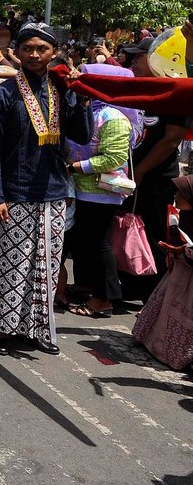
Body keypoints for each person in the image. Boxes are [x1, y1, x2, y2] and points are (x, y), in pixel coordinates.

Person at [0, 21, 93, 356]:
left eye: (41, 48)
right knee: (12, 263)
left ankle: (35, 328)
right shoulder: (2, 94)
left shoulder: (63, 90)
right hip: (16, 192)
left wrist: (83, 100)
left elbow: (83, 136)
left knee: (45, 264)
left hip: (55, 191)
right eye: (27, 48)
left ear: (54, 52)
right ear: (15, 52)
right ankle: (3, 329)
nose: (33, 54)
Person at [120, 37, 188, 301]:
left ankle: (157, 295)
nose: (134, 63)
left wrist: (142, 169)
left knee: (156, 234)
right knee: (131, 231)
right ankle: (133, 284)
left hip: (157, 179)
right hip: (134, 175)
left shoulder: (175, 93)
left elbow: (171, 139)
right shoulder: (144, 91)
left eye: (139, 58)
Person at [66, 64, 136, 318]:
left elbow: (114, 158)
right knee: (85, 242)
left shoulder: (113, 117)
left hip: (102, 191)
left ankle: (104, 298)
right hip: (82, 189)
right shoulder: (87, 110)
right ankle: (88, 286)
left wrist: (76, 166)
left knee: (98, 243)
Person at [132, 173, 193, 370]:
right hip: (179, 272)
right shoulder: (183, 215)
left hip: (189, 280)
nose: (175, 195)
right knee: (165, 306)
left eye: (181, 193)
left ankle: (178, 355)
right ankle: (152, 341)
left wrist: (183, 251)